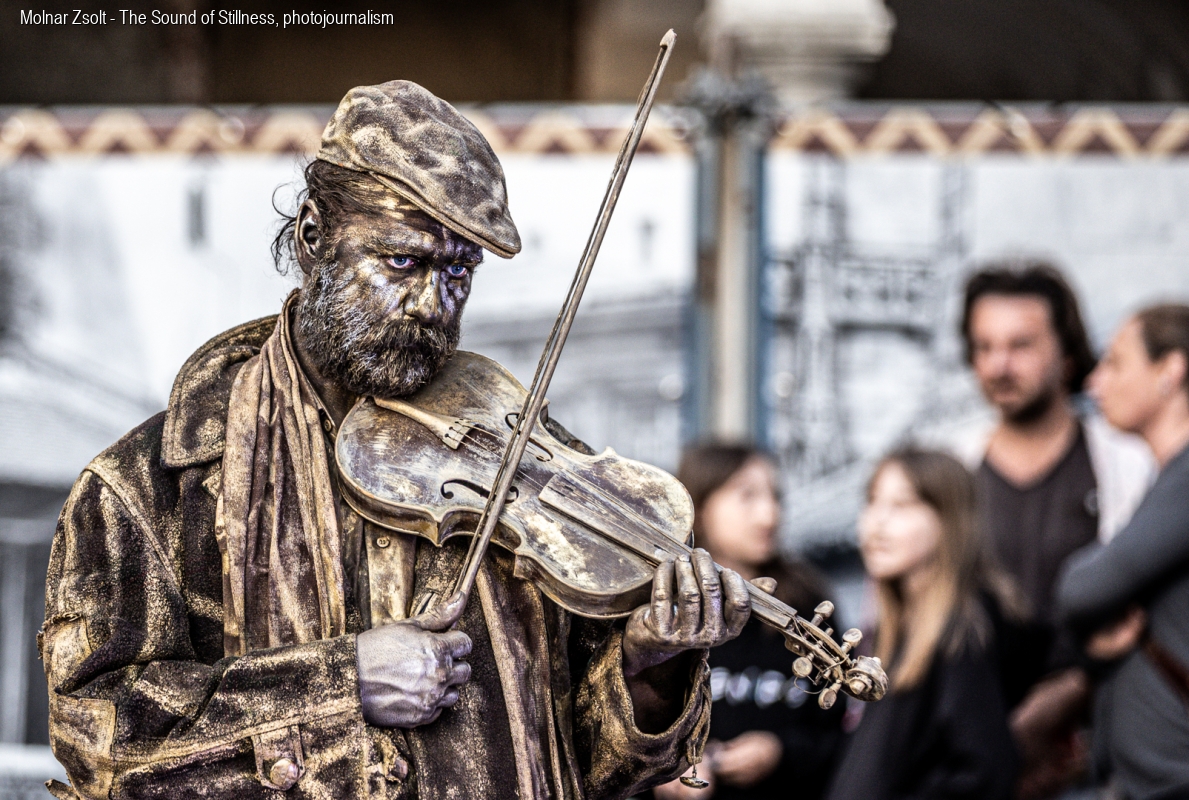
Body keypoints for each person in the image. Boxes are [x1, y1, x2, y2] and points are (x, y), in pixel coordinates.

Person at [40, 81, 754, 800]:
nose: (431, 306)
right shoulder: (147, 488)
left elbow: (591, 765)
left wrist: (649, 665)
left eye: (458, 271)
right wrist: (341, 681)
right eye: (403, 262)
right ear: (313, 236)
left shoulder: (511, 460)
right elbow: (100, 741)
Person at [958, 263, 1155, 797]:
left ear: (1067, 352)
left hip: (1098, 756)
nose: (999, 365)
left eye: (1020, 345)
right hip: (975, 758)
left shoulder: (1128, 465)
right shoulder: (956, 470)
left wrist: (1069, 692)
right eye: (984, 346)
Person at [1057, 303, 1189, 800]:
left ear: (1170, 371)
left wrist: (1088, 613)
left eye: (1115, 362)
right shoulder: (1173, 475)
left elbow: (1081, 589)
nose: (1095, 381)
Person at [651, 443, 844, 800]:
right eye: (747, 496)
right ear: (700, 507)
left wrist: (779, 752)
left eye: (775, 497)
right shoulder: (662, 606)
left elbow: (839, 736)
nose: (769, 515)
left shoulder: (808, 604)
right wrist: (662, 774)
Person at [826, 448, 1020, 800]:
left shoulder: (963, 631)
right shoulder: (899, 626)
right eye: (872, 501)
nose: (877, 522)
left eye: (901, 505)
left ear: (949, 520)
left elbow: (985, 770)